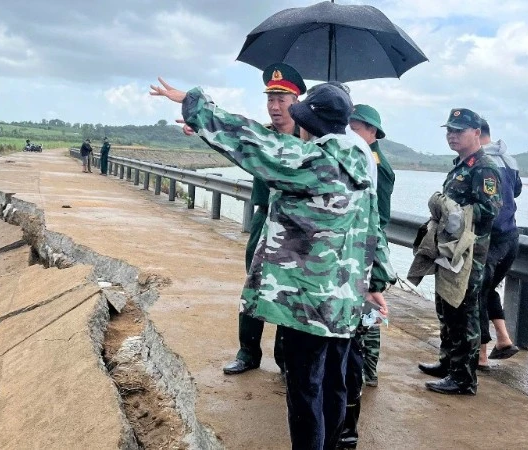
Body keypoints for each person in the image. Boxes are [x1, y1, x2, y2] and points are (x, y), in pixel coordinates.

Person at [150, 77, 395, 450]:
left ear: (309, 122)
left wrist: (195, 104)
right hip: (344, 300)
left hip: (308, 302)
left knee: (305, 393)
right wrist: (375, 281)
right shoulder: (360, 160)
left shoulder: (316, 161)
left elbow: (254, 144)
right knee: (334, 384)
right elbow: (372, 224)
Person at [222, 62, 307, 376]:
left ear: (297, 100)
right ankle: (247, 353)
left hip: (295, 226)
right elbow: (232, 143)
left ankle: (285, 361)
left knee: (290, 290)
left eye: (281, 99)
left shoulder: (311, 138)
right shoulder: (261, 135)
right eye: (270, 98)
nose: (274, 106)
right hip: (263, 218)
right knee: (254, 286)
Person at [417, 108, 501, 395]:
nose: (452, 135)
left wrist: (454, 211)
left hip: (469, 253)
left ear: (476, 133)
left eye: (458, 131)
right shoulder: (461, 165)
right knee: (445, 306)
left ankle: (464, 378)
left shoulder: (484, 168)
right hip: (449, 248)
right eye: (449, 130)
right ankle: (448, 362)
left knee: (464, 311)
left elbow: (490, 210)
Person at [337, 104, 395, 449]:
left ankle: (368, 369)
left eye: (357, 127)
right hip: (362, 239)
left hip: (370, 239)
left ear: (372, 132)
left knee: (369, 319)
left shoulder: (375, 163)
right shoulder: (359, 154)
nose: (352, 132)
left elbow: (378, 211)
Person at [478, 118, 521, 366]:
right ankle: (503, 340)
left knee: (477, 292)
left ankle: (481, 356)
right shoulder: (509, 159)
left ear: (476, 134)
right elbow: (516, 191)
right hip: (511, 235)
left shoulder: (480, 161)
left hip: (491, 239)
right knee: (487, 287)